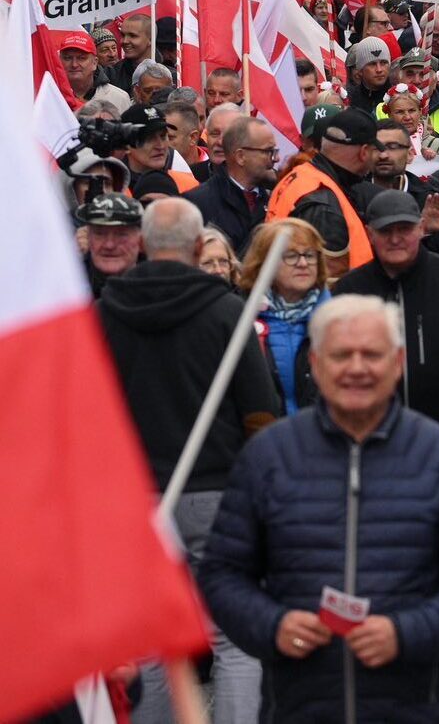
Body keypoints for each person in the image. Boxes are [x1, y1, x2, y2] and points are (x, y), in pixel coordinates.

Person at [198, 296, 439, 721]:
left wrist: (406, 633)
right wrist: (273, 625)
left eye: (372, 354)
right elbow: (221, 574)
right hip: (299, 709)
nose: (357, 368)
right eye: (341, 355)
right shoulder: (268, 457)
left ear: (397, 363)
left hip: (413, 709)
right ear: (316, 364)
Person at [99, 197, 280, 724]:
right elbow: (260, 410)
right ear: (200, 247)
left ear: (141, 245)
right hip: (217, 492)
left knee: (153, 641)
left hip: (135, 502)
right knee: (234, 637)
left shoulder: (104, 314)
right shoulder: (226, 312)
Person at [332, 191, 439, 435]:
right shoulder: (349, 290)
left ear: (421, 228)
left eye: (404, 229)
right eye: (385, 231)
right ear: (370, 234)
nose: (395, 239)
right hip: (372, 435)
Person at [267, 106, 381, 274]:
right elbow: (327, 279)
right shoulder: (323, 204)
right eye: (374, 151)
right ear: (364, 152)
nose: (377, 157)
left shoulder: (302, 175)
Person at [241, 218, 331, 414]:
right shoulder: (242, 319)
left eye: (309, 255)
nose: (303, 263)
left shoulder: (336, 320)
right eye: (291, 256)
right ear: (265, 263)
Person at [191, 116, 279, 255]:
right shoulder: (197, 204)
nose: (276, 158)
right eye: (268, 151)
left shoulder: (276, 199)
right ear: (241, 156)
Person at [78, 191, 144, 296]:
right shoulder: (67, 288)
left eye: (121, 234)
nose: (109, 245)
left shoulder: (159, 292)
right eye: (100, 234)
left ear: (141, 241)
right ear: (87, 237)